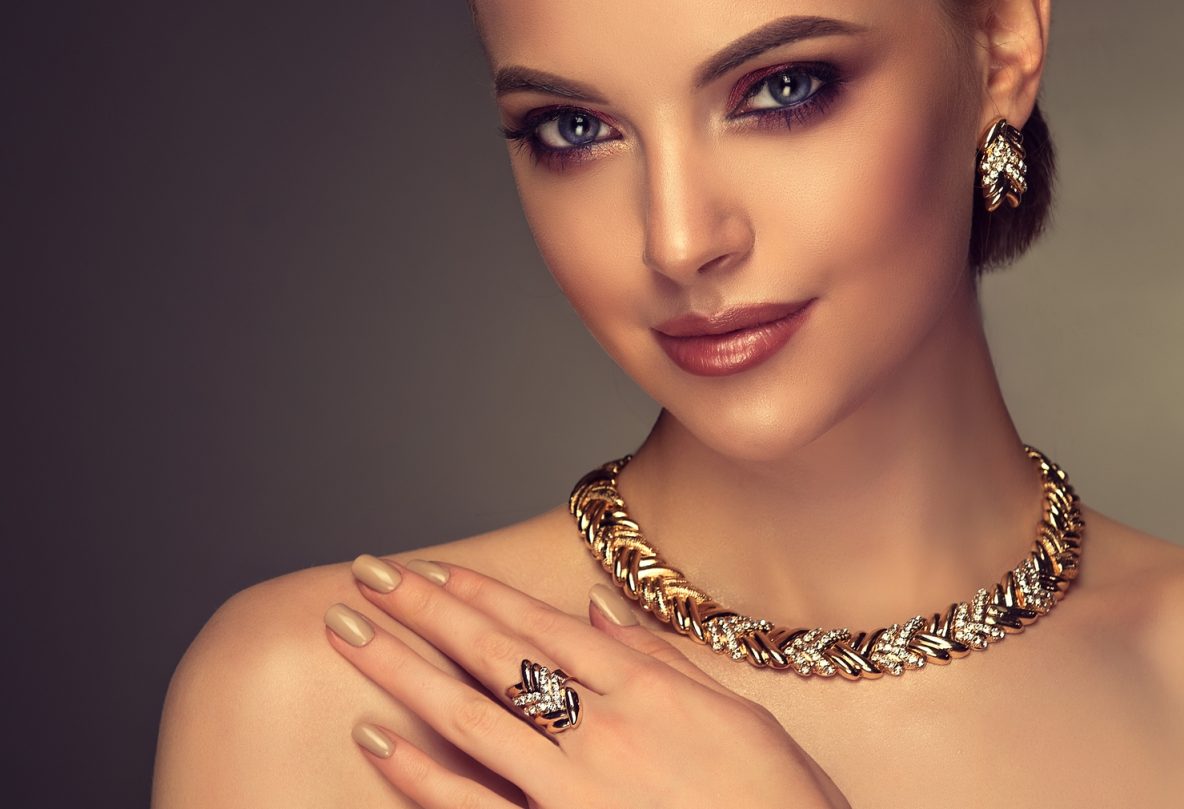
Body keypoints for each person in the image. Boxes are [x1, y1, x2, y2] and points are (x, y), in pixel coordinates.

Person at [153, 1, 1184, 806]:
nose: (678, 238)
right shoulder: (334, 700)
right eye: (574, 127)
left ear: (1003, 41)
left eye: (781, 88)